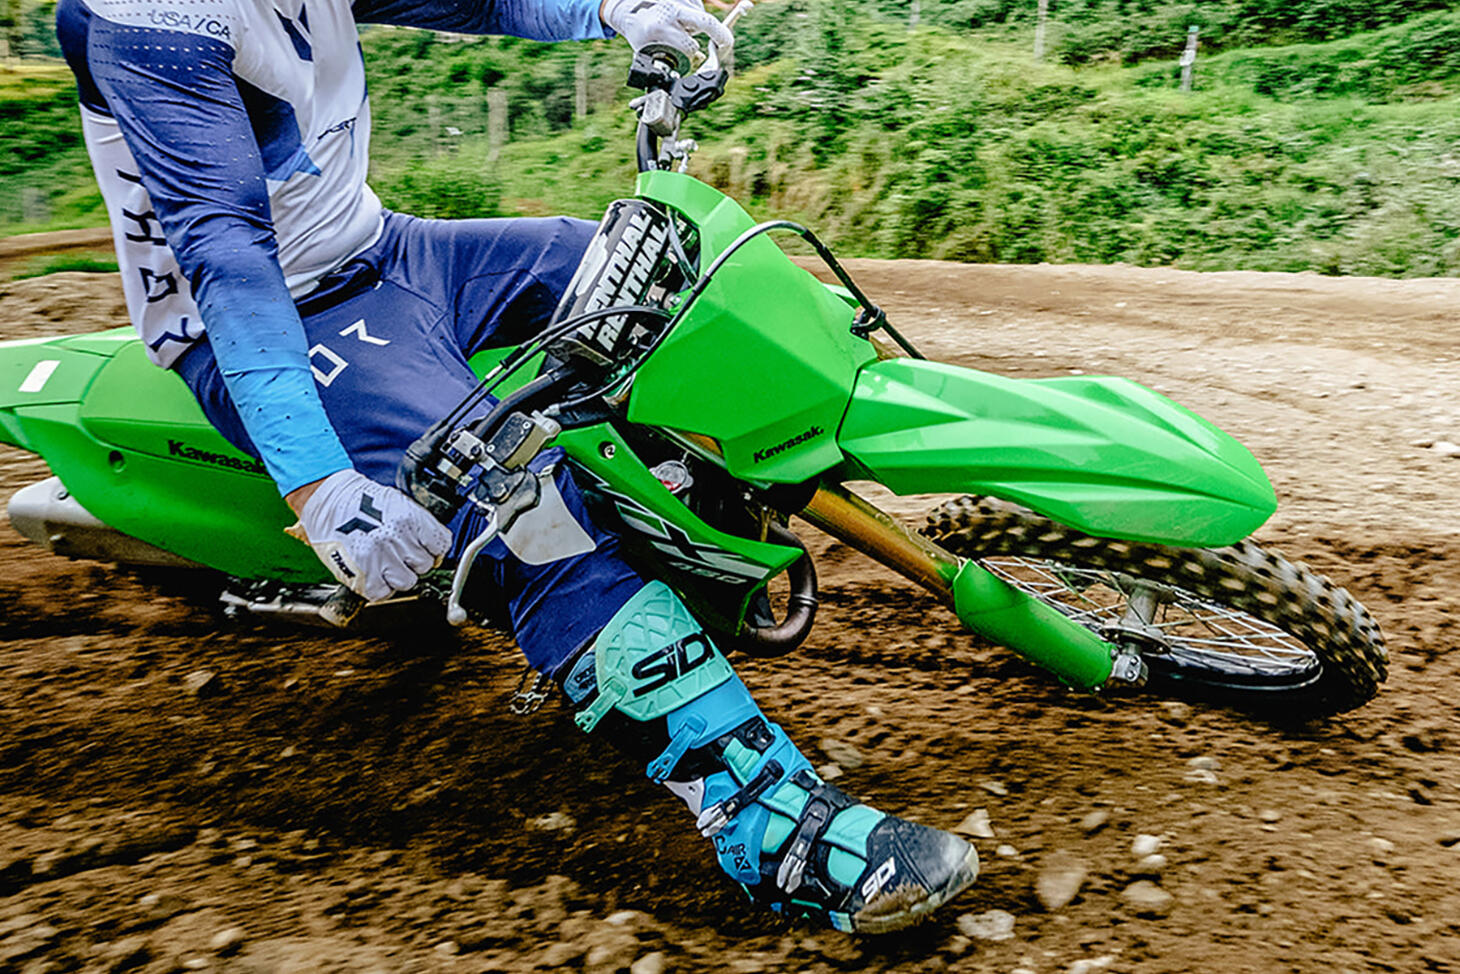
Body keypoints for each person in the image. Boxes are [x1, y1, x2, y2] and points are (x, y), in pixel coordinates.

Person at [55, 0, 978, 932]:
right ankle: (770, 830)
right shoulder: (151, 16)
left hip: (388, 248)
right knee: (518, 502)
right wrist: (321, 487)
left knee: (679, 278)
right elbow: (226, 253)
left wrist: (615, 9)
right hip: (267, 321)